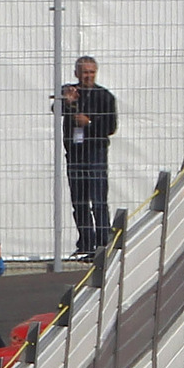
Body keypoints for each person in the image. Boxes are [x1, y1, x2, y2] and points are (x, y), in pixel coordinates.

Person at [60, 56, 118, 256]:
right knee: (79, 200)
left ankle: (103, 245)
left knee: (98, 200)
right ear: (77, 73)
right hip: (75, 153)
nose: (88, 76)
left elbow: (111, 127)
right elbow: (55, 109)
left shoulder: (105, 97)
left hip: (96, 153)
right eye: (85, 72)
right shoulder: (69, 92)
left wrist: (89, 123)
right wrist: (68, 102)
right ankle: (85, 244)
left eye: (91, 72)